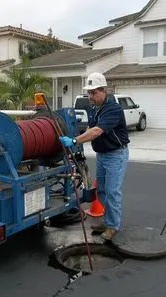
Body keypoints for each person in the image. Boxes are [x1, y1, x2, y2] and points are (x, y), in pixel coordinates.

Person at [58, 72, 129, 240]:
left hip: (115, 155)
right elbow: (90, 129)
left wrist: (74, 140)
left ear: (104, 91)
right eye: (89, 93)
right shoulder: (93, 109)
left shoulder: (113, 109)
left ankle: (113, 226)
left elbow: (97, 131)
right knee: (102, 191)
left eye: (94, 92)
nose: (90, 96)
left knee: (112, 191)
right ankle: (107, 220)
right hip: (102, 155)